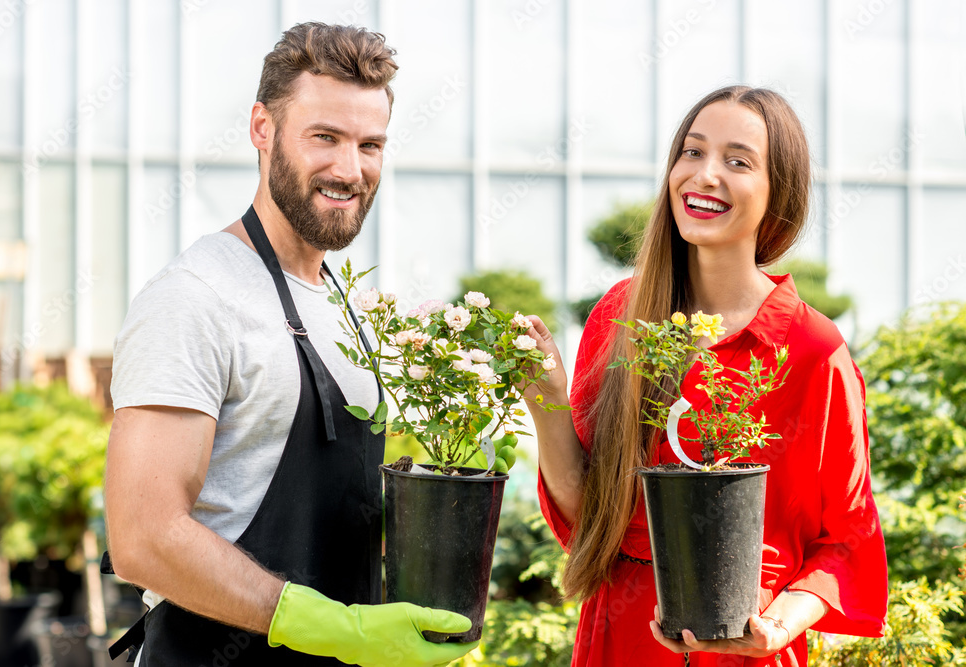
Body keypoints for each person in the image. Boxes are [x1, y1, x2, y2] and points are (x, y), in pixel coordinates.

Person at [104, 22, 478, 666]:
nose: (349, 168)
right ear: (262, 129)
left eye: (370, 144)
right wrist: (329, 627)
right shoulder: (196, 297)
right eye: (324, 138)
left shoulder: (346, 301)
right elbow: (144, 536)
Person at [522, 86, 888, 666]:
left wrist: (779, 626)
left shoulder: (813, 349)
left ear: (778, 193)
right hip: (623, 633)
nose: (704, 174)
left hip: (745, 639)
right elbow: (589, 514)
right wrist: (545, 399)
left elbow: (847, 537)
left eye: (737, 161)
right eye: (692, 153)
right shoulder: (622, 315)